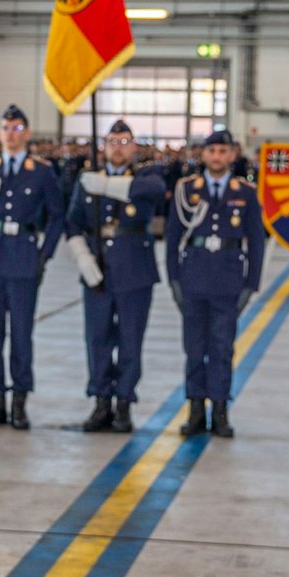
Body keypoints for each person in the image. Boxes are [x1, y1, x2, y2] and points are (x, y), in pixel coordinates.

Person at [0, 104, 64, 430]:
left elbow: (56, 216)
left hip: (23, 258)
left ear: (28, 133)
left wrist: (43, 255)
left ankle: (19, 401)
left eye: (18, 128)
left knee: (21, 335)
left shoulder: (42, 171)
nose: (11, 134)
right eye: (6, 128)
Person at [64, 119, 166, 434]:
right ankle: (100, 402)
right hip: (98, 271)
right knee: (97, 339)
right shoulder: (87, 179)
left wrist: (106, 186)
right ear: (103, 146)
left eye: (124, 142)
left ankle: (123, 403)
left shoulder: (147, 175)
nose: (117, 148)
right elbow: (72, 223)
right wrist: (82, 257)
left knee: (130, 340)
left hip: (135, 271)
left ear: (134, 147)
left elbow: (153, 191)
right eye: (112, 142)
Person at [166, 130, 264, 438]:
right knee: (194, 349)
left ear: (232, 155)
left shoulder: (245, 192)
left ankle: (220, 410)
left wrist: (251, 284)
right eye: (212, 151)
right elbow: (171, 239)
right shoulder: (186, 190)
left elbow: (256, 242)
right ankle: (195, 409)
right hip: (193, 277)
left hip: (228, 280)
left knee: (222, 349)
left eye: (223, 151)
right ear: (203, 155)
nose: (217, 157)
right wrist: (174, 280)